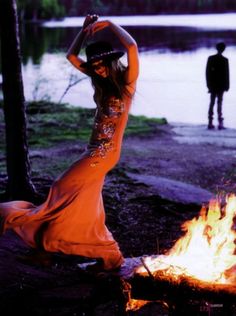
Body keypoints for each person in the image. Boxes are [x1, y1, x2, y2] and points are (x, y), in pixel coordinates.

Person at [0, 15, 139, 271]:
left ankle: (45, 248)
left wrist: (108, 24)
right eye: (94, 64)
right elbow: (72, 57)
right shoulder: (100, 82)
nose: (97, 68)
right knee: (84, 205)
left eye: (101, 64)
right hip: (93, 152)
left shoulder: (125, 85)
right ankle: (106, 254)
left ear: (111, 61)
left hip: (104, 155)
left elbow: (132, 47)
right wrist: (84, 31)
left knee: (60, 188)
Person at [206, 42, 229, 130]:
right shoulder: (224, 60)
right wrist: (227, 86)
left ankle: (211, 122)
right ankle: (218, 123)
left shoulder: (212, 58)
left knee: (213, 102)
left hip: (215, 85)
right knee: (218, 103)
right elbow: (226, 74)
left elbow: (207, 73)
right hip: (219, 85)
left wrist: (209, 85)